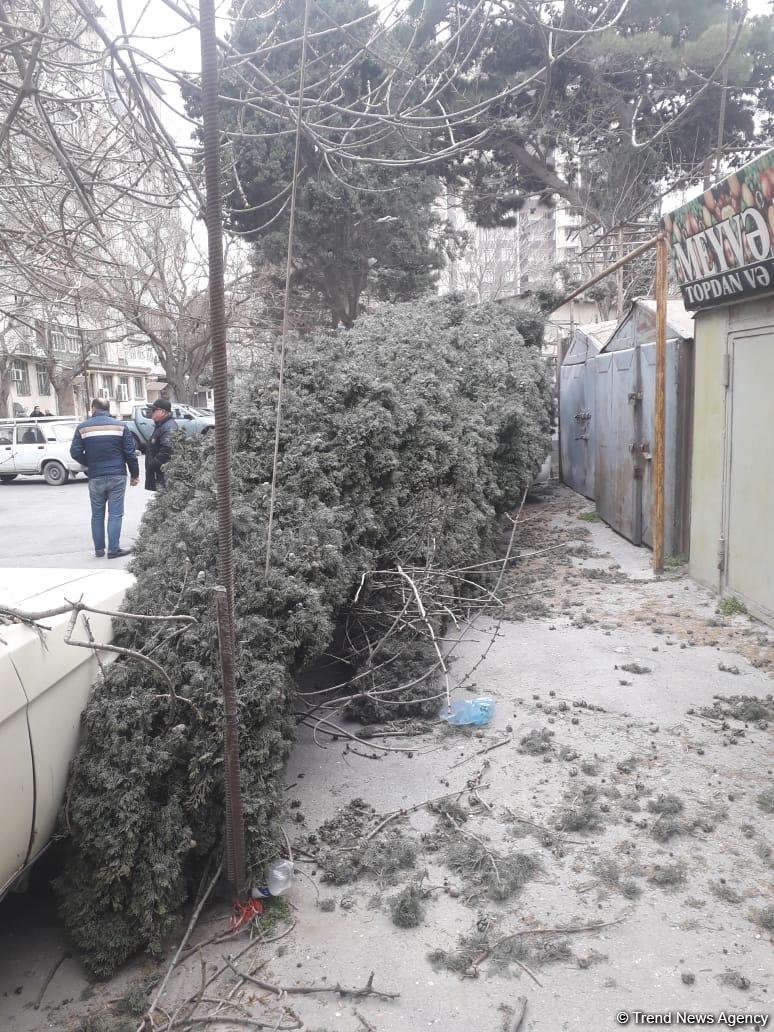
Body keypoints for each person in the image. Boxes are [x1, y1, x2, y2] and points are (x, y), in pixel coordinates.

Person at [70, 397, 139, 558]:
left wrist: (90, 463)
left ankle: (99, 550)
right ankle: (113, 550)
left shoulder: (82, 428)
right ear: (109, 409)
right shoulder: (121, 426)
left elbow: (75, 452)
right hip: (117, 475)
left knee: (97, 515)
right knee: (115, 514)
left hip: (95, 476)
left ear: (93, 408)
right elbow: (130, 452)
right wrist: (134, 474)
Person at [145, 398, 177, 492]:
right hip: (160, 473)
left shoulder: (169, 426)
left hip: (164, 474)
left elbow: (167, 450)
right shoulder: (161, 425)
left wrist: (153, 464)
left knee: (166, 499)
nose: (152, 413)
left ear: (163, 412)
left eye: (154, 410)